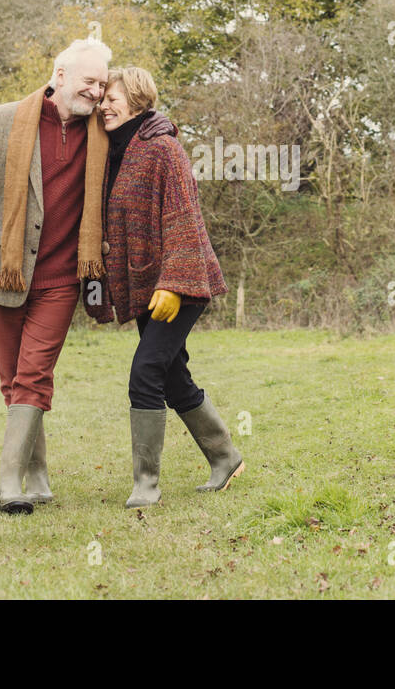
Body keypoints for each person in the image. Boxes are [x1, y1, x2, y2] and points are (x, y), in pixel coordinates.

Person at [0, 39, 111, 514]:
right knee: (11, 379)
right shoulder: (2, 120)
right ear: (60, 76)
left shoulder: (103, 131)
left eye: (102, 84)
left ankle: (9, 484)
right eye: (90, 82)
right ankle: (37, 472)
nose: (98, 92)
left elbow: (142, 129)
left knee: (34, 376)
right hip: (6, 270)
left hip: (61, 277)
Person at [85, 65, 243, 507]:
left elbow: (183, 218)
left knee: (146, 372)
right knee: (173, 377)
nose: (104, 106)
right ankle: (225, 457)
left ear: (136, 99)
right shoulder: (113, 151)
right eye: (102, 100)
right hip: (149, 289)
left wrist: (174, 282)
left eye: (111, 98)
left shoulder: (164, 149)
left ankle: (146, 485)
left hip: (182, 285)